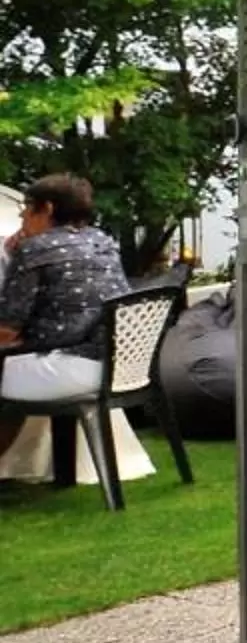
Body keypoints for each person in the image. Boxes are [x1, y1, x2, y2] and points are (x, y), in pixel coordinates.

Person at [0, 172, 130, 467]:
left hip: (68, 367)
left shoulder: (34, 249)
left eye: (27, 205)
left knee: (6, 372)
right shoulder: (102, 241)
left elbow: (7, 330)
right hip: (117, 365)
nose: (22, 214)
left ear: (47, 208)